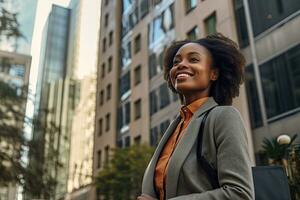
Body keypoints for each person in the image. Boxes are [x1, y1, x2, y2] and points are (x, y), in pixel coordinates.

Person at [137, 33, 254, 200]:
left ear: (213, 74)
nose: (181, 65)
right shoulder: (176, 126)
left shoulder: (223, 117)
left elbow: (239, 194)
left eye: (193, 60)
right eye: (176, 62)